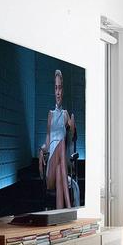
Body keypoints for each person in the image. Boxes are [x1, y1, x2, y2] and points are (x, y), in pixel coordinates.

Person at [41, 68, 78, 209]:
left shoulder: (65, 114)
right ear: (53, 90)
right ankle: (70, 207)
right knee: (61, 145)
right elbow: (47, 139)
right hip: (51, 163)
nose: (58, 92)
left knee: (60, 174)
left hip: (60, 167)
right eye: (56, 88)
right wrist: (42, 150)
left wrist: (72, 123)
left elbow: (73, 134)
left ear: (63, 91)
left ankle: (62, 213)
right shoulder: (50, 114)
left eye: (60, 88)